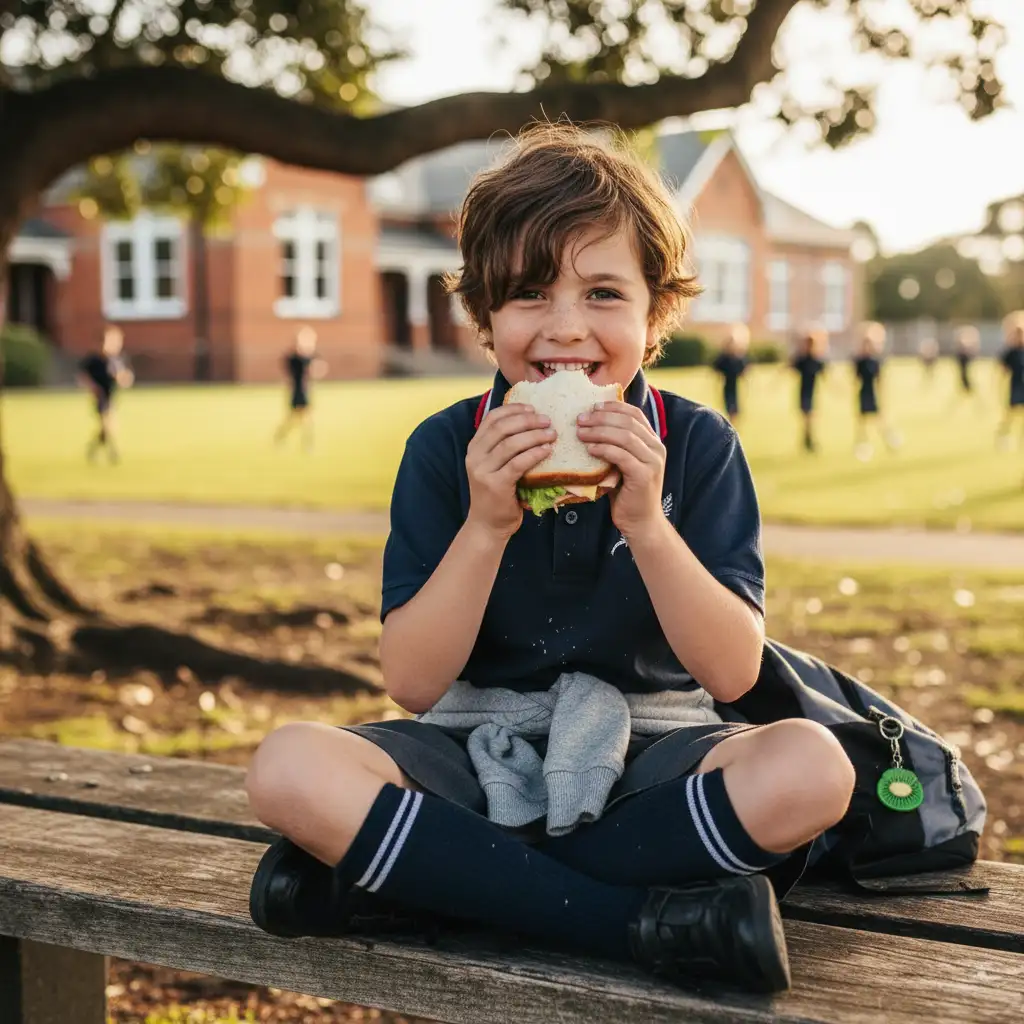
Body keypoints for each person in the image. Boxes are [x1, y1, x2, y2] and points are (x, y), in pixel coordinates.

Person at [244, 124, 856, 995]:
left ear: (655, 318)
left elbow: (728, 669)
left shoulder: (699, 444)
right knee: (288, 767)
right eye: (530, 293)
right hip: (470, 741)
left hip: (654, 750)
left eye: (604, 293)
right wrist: (486, 525)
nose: (565, 327)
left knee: (812, 768)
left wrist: (648, 523)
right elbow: (413, 684)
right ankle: (633, 924)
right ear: (486, 318)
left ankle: (432, 879)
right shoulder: (446, 447)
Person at [77, 324, 134, 464]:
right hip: (100, 397)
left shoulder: (117, 360)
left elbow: (122, 377)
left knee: (106, 428)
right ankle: (113, 453)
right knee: (108, 426)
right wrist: (92, 387)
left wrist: (124, 379)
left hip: (111, 397)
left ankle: (92, 449)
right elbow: (83, 376)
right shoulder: (95, 359)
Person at [852, 321, 900, 460]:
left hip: (872, 393)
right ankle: (862, 444)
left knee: (880, 420)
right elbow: (855, 379)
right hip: (863, 393)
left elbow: (880, 380)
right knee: (861, 421)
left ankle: (889, 440)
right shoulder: (859, 361)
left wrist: (882, 394)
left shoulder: (875, 361)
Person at [275, 326, 327, 450]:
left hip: (306, 390)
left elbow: (317, 368)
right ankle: (284, 437)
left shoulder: (308, 357)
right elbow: (295, 367)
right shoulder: (294, 358)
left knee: (305, 419)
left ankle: (304, 444)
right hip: (297, 391)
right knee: (295, 419)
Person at [791, 327, 829, 453]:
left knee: (810, 417)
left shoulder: (817, 360)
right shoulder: (802, 360)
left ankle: (808, 439)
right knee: (806, 417)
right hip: (803, 392)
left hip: (812, 393)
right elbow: (789, 368)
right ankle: (807, 439)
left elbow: (825, 375)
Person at [711, 323, 750, 425]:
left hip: (735, 387)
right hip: (727, 386)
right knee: (729, 407)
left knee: (735, 409)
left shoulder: (738, 358)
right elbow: (715, 368)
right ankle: (730, 424)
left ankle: (733, 424)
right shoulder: (724, 358)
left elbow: (744, 371)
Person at [996, 311, 1024, 451]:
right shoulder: (1011, 351)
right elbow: (1003, 367)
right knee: (1010, 414)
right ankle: (1003, 435)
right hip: (1016, 385)